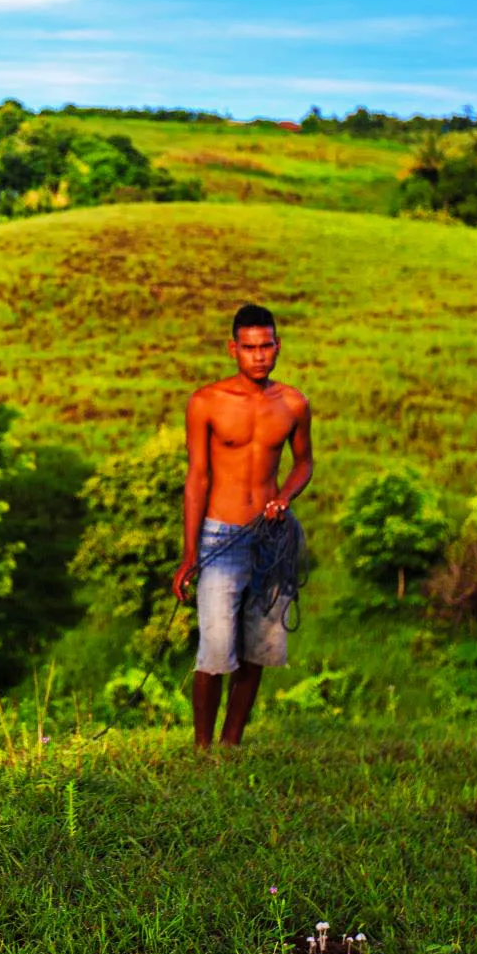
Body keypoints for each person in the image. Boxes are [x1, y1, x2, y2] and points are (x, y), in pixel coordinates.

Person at [169, 302, 313, 748]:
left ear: (277, 346)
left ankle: (231, 746)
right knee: (214, 651)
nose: (258, 356)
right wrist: (190, 553)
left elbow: (304, 463)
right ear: (233, 348)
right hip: (220, 536)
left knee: (257, 650)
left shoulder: (293, 403)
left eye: (266, 346)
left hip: (270, 539)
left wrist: (284, 498)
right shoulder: (207, 401)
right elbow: (197, 477)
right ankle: (201, 747)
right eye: (248, 347)